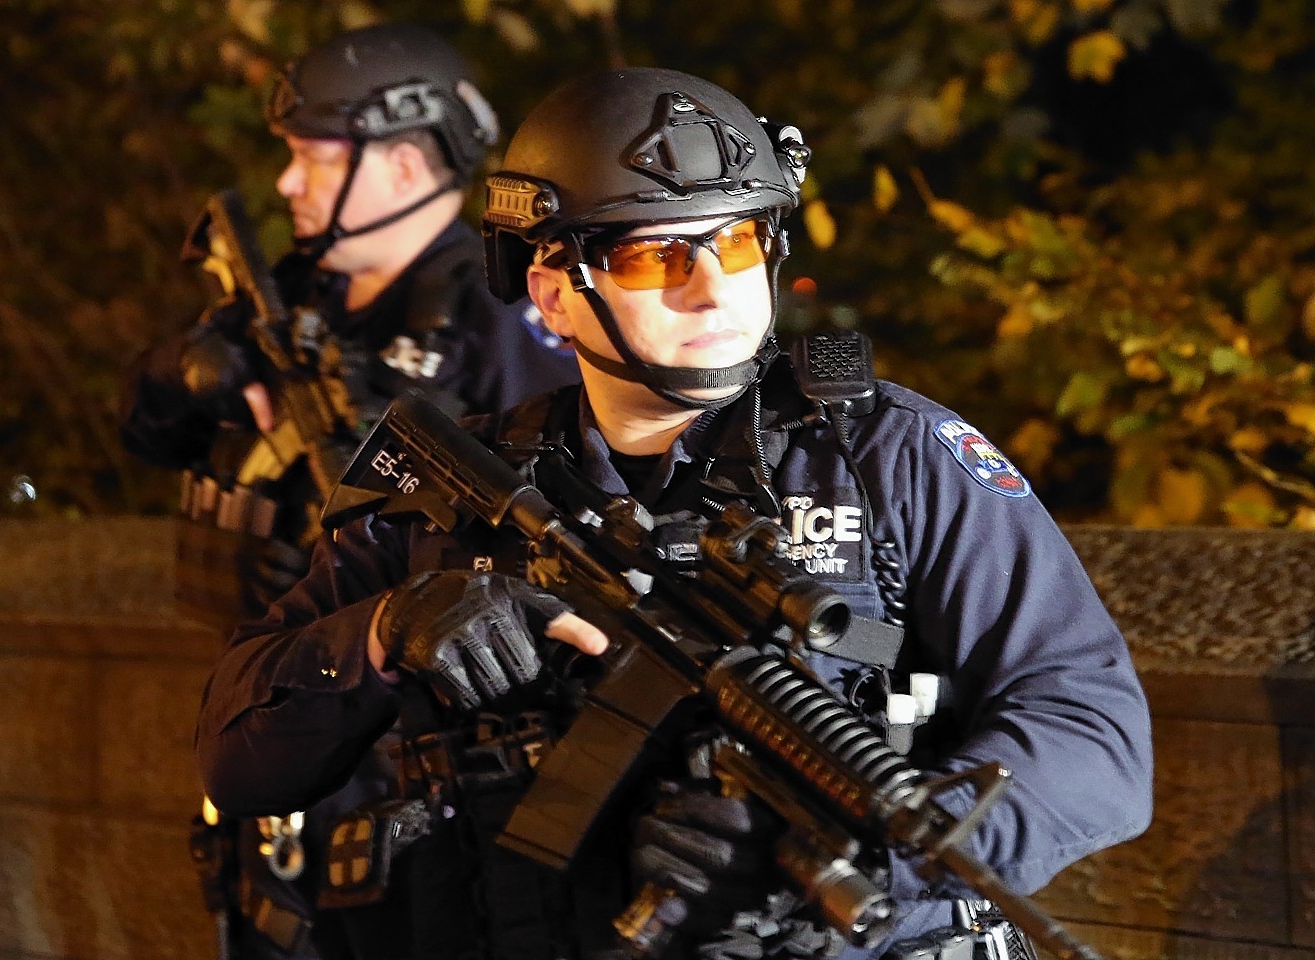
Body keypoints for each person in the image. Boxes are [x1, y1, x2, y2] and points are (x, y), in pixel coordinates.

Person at [195, 66, 1154, 960]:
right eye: (656, 255)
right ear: (554, 295)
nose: (715, 290)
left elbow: (1094, 730)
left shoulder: (886, 457)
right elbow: (235, 761)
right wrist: (378, 633)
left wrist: (866, 861)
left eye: (738, 241)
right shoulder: (455, 491)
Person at [119, 24, 578, 960]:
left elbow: (558, 550)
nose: (287, 184)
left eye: (314, 160)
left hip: (411, 761)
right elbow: (146, 437)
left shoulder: (497, 321)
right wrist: (184, 370)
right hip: (273, 719)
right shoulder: (293, 296)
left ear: (406, 166)